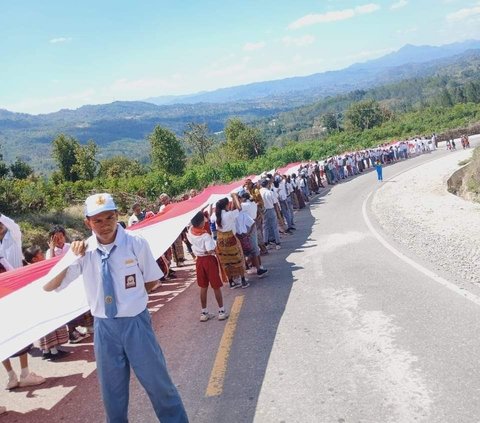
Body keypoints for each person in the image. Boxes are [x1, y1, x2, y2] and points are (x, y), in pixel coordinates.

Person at [43, 193, 188, 423]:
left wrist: (131, 301)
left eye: (109, 218)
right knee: (113, 396)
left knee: (159, 386)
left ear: (117, 215)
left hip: (136, 324)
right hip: (104, 329)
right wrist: (70, 258)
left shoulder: (135, 243)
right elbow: (50, 286)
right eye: (97, 221)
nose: (104, 225)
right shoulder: (83, 252)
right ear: (87, 222)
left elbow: (151, 280)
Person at [1, 213, 46, 390]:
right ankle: (13, 376)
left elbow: (11, 224)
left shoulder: (13, 237)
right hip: (5, 293)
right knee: (3, 336)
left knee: (19, 332)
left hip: (15, 291)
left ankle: (23, 373)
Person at [24, 246, 70, 360]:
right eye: (40, 254)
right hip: (44, 302)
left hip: (36, 303)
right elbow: (52, 268)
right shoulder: (37, 268)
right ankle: (54, 351)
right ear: (34, 259)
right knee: (50, 325)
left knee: (43, 326)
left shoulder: (27, 269)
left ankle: (46, 350)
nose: (43, 256)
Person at [187, 211, 228, 322]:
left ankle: (204, 312)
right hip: (208, 260)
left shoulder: (190, 231)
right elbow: (210, 250)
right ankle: (221, 311)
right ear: (201, 223)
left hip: (199, 261)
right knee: (216, 286)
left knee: (203, 287)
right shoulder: (205, 235)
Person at [214, 194, 249, 289]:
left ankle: (231, 282)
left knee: (226, 262)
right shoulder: (228, 215)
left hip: (220, 240)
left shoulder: (216, 215)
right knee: (238, 259)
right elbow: (239, 208)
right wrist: (234, 197)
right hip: (230, 238)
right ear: (226, 205)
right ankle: (243, 280)